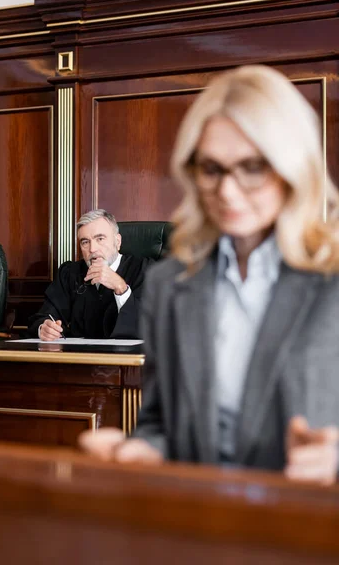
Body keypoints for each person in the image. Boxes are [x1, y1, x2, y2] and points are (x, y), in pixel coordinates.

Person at [80, 65, 339, 485]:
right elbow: (161, 425)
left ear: (292, 167)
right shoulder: (170, 284)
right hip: (200, 529)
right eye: (212, 169)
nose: (229, 191)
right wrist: (139, 451)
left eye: (253, 167)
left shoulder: (331, 276)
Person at [28, 209, 151, 340]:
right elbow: (45, 315)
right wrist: (44, 328)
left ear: (118, 241)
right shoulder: (70, 273)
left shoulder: (145, 271)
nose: (92, 249)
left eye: (100, 239)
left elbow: (150, 325)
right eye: (85, 242)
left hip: (126, 358)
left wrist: (121, 288)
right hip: (76, 357)